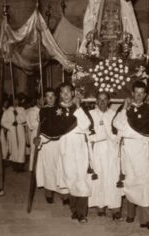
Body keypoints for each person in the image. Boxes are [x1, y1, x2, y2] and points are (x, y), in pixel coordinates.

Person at [113, 81, 149, 230]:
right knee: (129, 182)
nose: (139, 96)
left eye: (142, 93)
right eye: (136, 93)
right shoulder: (125, 108)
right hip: (127, 149)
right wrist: (124, 109)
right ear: (132, 93)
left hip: (142, 150)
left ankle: (145, 220)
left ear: (145, 94)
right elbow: (117, 124)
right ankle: (130, 214)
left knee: (143, 184)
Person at [56, 83, 92, 223]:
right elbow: (52, 128)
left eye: (68, 92)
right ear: (60, 94)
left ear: (73, 93)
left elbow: (86, 125)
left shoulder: (80, 108)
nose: (65, 95)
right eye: (62, 92)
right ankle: (74, 210)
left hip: (80, 147)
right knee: (70, 177)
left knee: (82, 179)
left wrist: (77, 108)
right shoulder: (56, 110)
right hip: (66, 147)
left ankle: (82, 212)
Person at [88, 91, 122, 219]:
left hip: (111, 150)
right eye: (99, 99)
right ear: (96, 101)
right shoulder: (90, 114)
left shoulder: (115, 115)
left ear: (109, 101)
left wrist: (112, 137)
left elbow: (119, 132)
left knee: (112, 178)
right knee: (99, 178)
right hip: (97, 150)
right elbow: (87, 133)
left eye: (105, 99)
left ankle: (115, 208)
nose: (102, 102)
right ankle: (100, 205)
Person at [1, 95, 27, 172]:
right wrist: (11, 125)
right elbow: (3, 122)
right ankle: (15, 164)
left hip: (19, 129)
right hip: (12, 130)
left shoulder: (21, 109)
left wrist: (18, 116)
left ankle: (21, 164)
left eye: (17, 100)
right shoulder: (7, 111)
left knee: (21, 145)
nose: (16, 101)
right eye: (14, 100)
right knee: (14, 146)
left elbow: (24, 119)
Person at [26, 95, 42, 171]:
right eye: (42, 98)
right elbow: (33, 124)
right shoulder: (32, 111)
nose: (44, 100)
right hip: (36, 132)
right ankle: (33, 169)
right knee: (34, 151)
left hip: (43, 133)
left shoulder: (44, 109)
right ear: (38, 100)